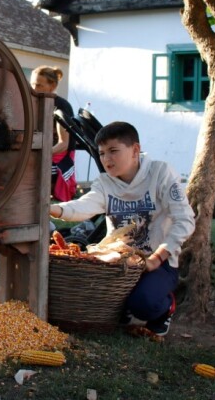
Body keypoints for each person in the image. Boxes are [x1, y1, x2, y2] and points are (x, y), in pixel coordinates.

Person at [49, 121, 195, 337]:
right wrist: (52, 209)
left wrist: (157, 257)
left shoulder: (160, 173)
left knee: (143, 305)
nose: (107, 159)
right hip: (118, 261)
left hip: (157, 262)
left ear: (135, 150)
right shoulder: (105, 183)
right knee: (81, 293)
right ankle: (123, 303)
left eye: (114, 151)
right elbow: (84, 206)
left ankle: (165, 308)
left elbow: (185, 220)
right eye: (102, 153)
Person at [30, 66, 78, 202]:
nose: (34, 89)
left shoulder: (61, 107)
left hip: (59, 157)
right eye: (32, 84)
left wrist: (40, 155)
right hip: (46, 152)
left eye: (39, 85)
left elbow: (63, 144)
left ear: (52, 86)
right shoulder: (35, 103)